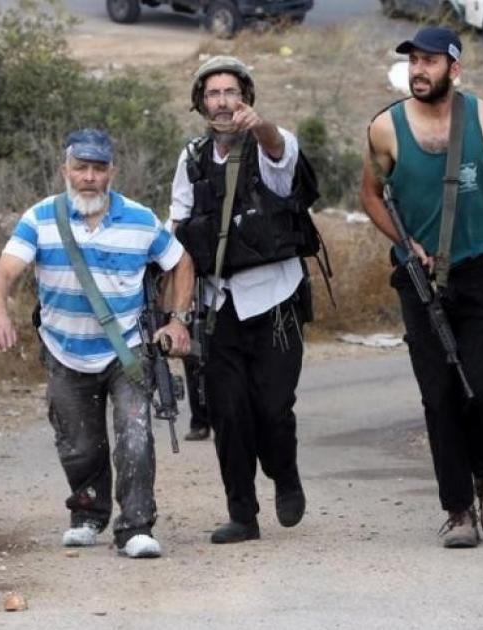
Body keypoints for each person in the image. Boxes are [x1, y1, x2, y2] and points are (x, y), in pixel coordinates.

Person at [360, 27, 483, 549]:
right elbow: (370, 195)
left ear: (454, 69)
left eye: (430, 61)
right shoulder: (385, 129)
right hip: (420, 278)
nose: (418, 70)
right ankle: (458, 509)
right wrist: (406, 242)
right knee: (439, 397)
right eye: (414, 61)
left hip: (482, 271)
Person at [0, 128, 194, 559]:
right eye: (80, 168)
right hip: (64, 349)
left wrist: (177, 321)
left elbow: (181, 261)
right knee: (78, 444)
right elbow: (3, 274)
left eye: (98, 169)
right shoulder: (41, 218)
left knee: (134, 435)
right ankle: (87, 514)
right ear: (65, 170)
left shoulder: (139, 219)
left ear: (111, 172)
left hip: (127, 350)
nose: (89, 177)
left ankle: (136, 526)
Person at [169, 56, 312, 544]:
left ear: (246, 97)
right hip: (218, 304)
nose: (223, 102)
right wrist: (175, 310)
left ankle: (285, 475)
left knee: (273, 408)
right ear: (201, 103)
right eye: (213, 94)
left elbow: (279, 152)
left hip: (275, 300)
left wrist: (261, 126)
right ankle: (242, 514)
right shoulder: (191, 159)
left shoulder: (272, 144)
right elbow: (178, 232)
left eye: (231, 92)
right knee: (228, 414)